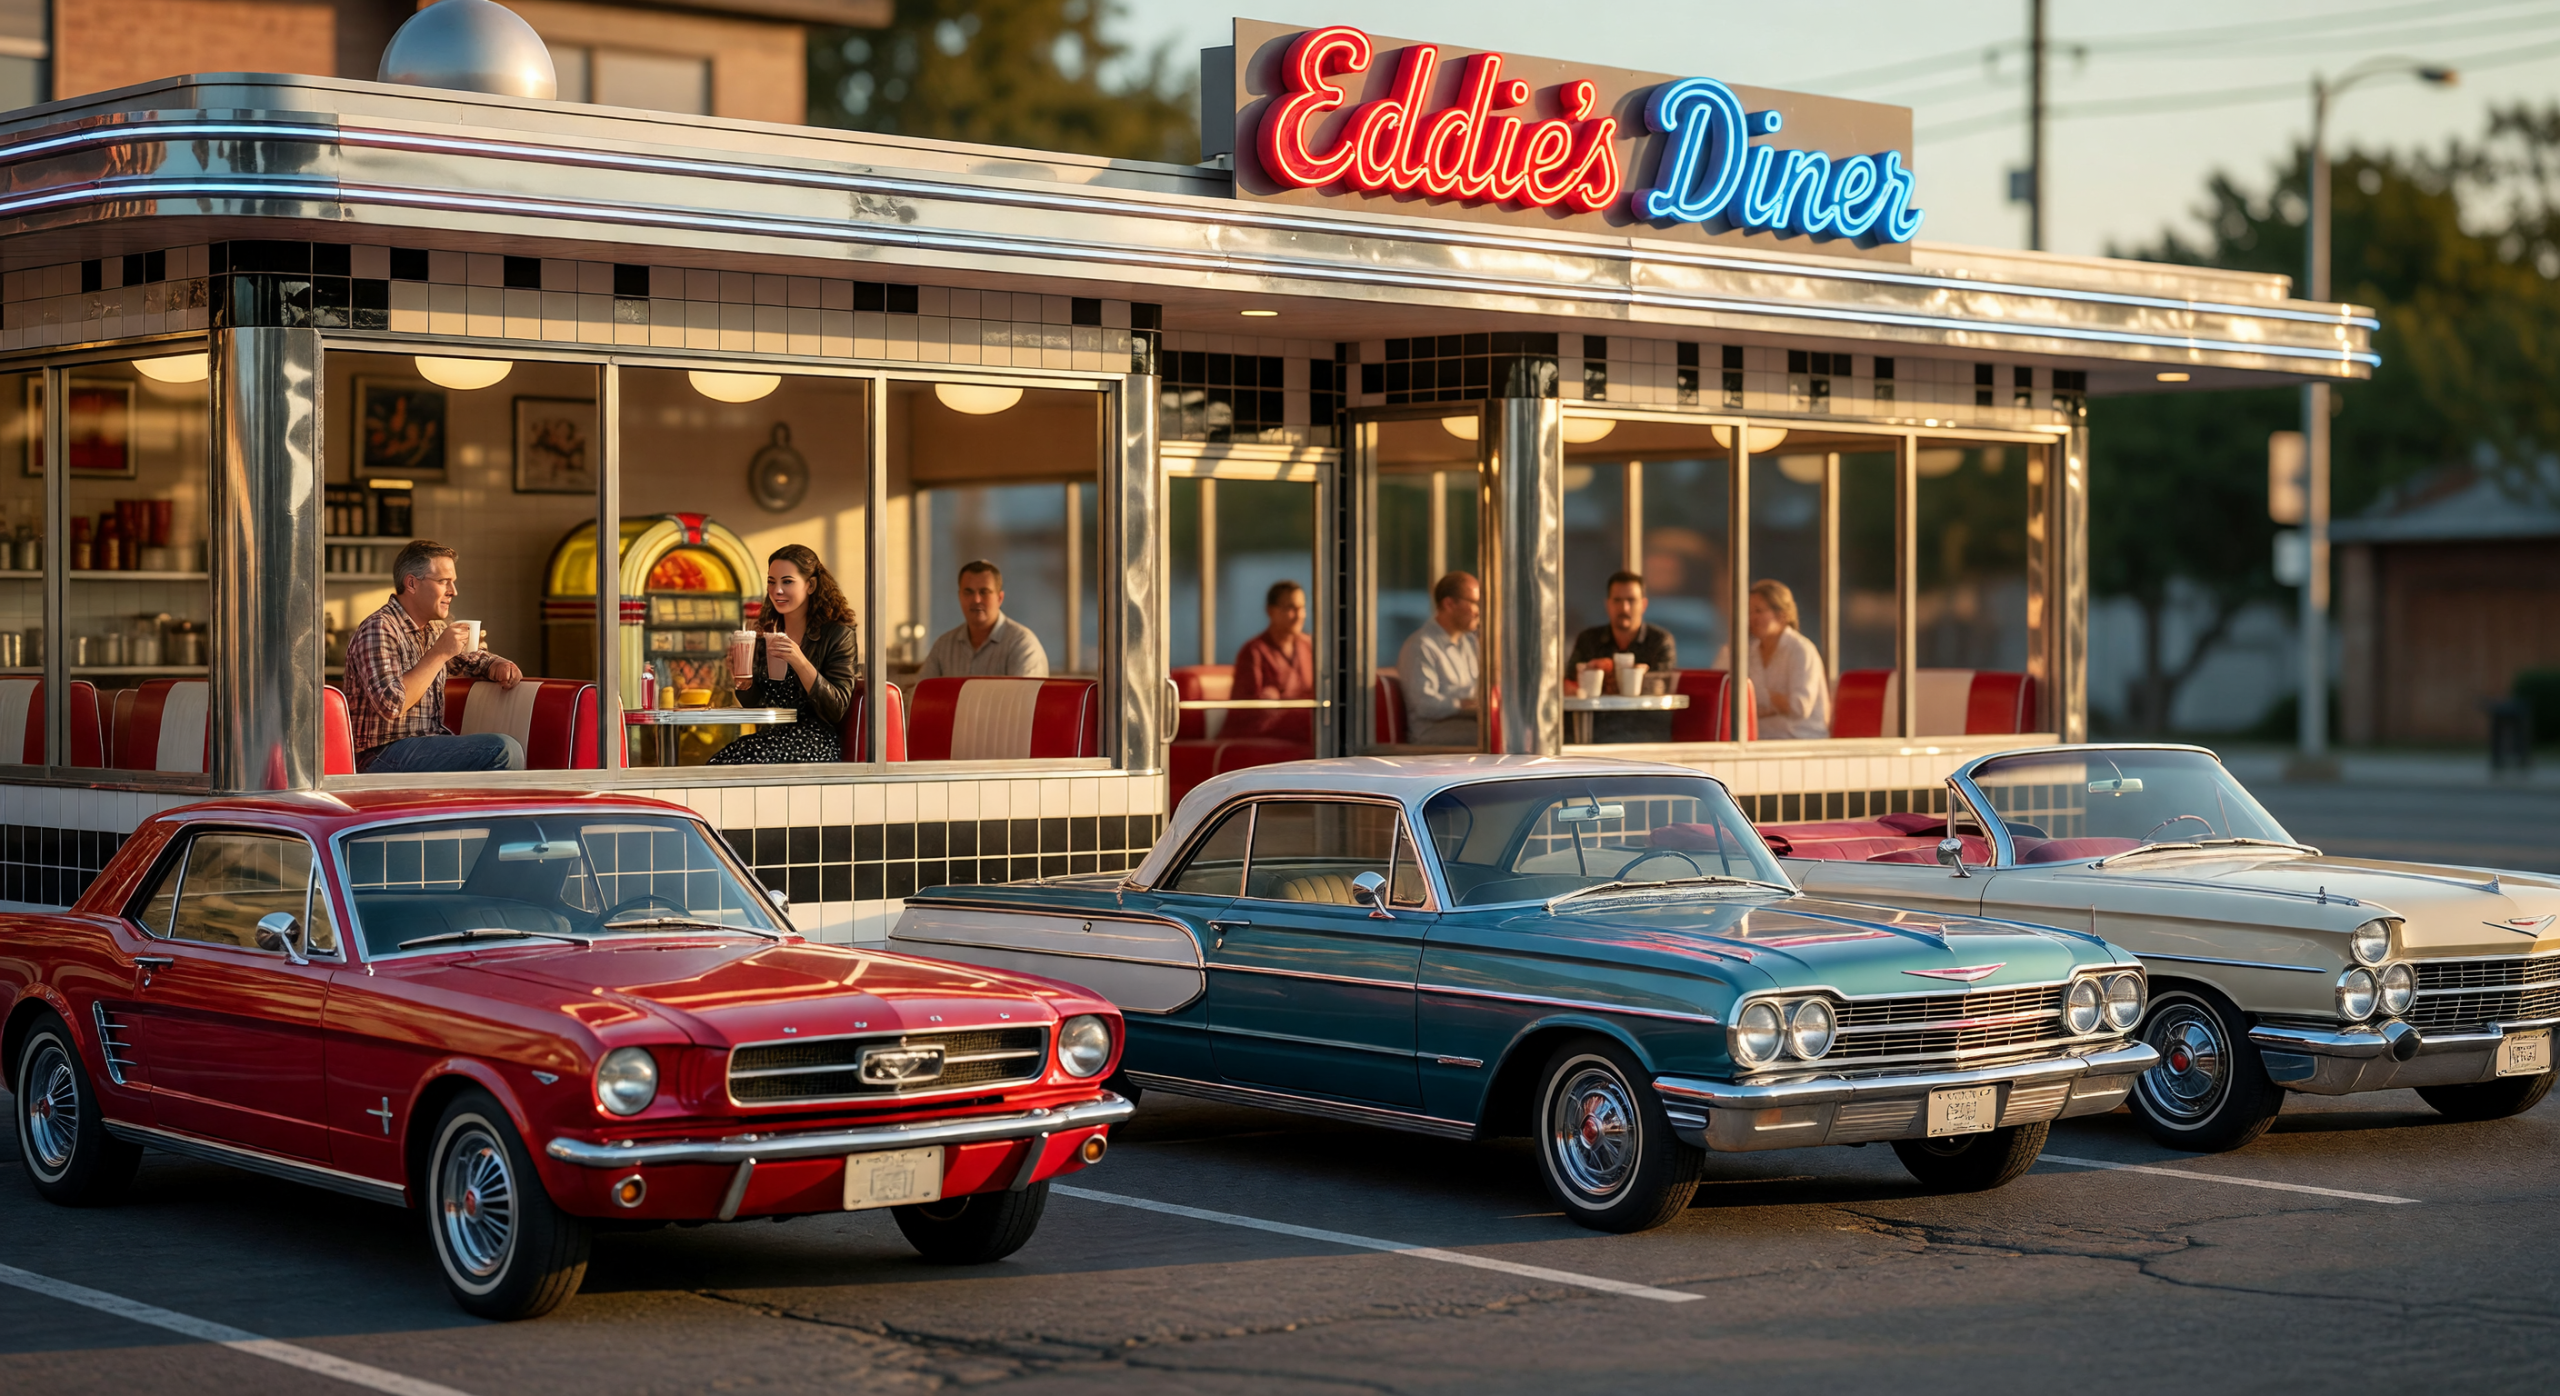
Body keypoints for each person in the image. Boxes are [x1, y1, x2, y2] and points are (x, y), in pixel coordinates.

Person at [345, 539, 525, 773]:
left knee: (503, 749)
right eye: (443, 582)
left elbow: (472, 660)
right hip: (381, 755)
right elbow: (391, 704)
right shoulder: (379, 629)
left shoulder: (434, 630)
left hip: (425, 746)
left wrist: (498, 664)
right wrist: (439, 652)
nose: (453, 591)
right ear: (411, 583)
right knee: (503, 750)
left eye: (453, 582)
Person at [710, 544, 859, 765]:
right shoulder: (766, 631)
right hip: (771, 738)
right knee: (718, 762)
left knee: (736, 762)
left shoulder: (837, 635)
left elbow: (836, 708)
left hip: (814, 741)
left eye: (787, 582)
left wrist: (799, 660)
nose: (777, 590)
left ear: (811, 585)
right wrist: (741, 678)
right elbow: (757, 705)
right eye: (771, 582)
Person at [1567, 570, 1678, 742]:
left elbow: (1659, 684)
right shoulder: (1588, 639)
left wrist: (1623, 673)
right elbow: (1568, 681)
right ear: (1607, 604)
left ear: (1643, 604)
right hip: (1592, 728)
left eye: (1631, 600)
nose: (1624, 608)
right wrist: (1586, 674)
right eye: (1617, 600)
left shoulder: (1659, 641)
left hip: (1644, 730)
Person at [1714, 579, 1831, 739]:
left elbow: (1799, 706)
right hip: (1760, 739)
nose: (1752, 618)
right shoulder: (1750, 650)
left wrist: (1761, 697)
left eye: (1759, 611)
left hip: (1800, 740)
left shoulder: (1800, 650)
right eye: (1749, 612)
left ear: (1782, 615)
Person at [917, 560, 1050, 678]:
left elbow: (1024, 703)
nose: (976, 600)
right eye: (968, 592)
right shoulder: (944, 646)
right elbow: (919, 696)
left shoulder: (1022, 645)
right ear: (959, 596)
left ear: (1000, 598)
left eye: (984, 592)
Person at [1396, 571, 1481, 746]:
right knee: (1497, 738)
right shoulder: (1421, 646)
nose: (1477, 611)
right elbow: (1424, 705)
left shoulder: (1469, 642)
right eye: (1473, 603)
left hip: (1467, 723)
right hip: (1432, 734)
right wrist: (1465, 704)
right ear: (1449, 603)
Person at [1226, 579, 1313, 744]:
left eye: (1302, 608)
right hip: (1259, 738)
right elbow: (1246, 711)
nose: (1299, 615)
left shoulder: (1310, 647)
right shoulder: (1254, 651)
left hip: (1302, 736)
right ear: (1270, 611)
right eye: (1291, 608)